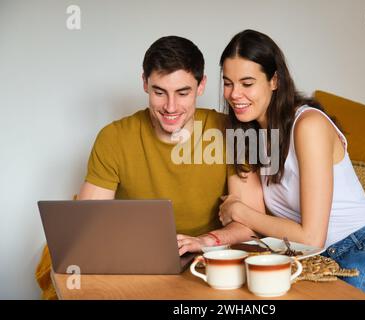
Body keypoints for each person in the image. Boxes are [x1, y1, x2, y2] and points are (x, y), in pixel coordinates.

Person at [36, 35, 262, 299]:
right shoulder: (114, 137)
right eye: (159, 92)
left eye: (183, 92)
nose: (170, 107)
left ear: (201, 85)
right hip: (135, 264)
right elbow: (85, 231)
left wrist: (204, 241)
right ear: (144, 83)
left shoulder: (231, 133)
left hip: (206, 264)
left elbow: (250, 224)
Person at [217, 29, 365, 300]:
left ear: (274, 81)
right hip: (319, 260)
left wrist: (239, 211)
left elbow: (309, 237)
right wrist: (207, 240)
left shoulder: (308, 124)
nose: (235, 94)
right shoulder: (243, 137)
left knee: (356, 278)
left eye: (247, 83)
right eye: (228, 83)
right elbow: (253, 227)